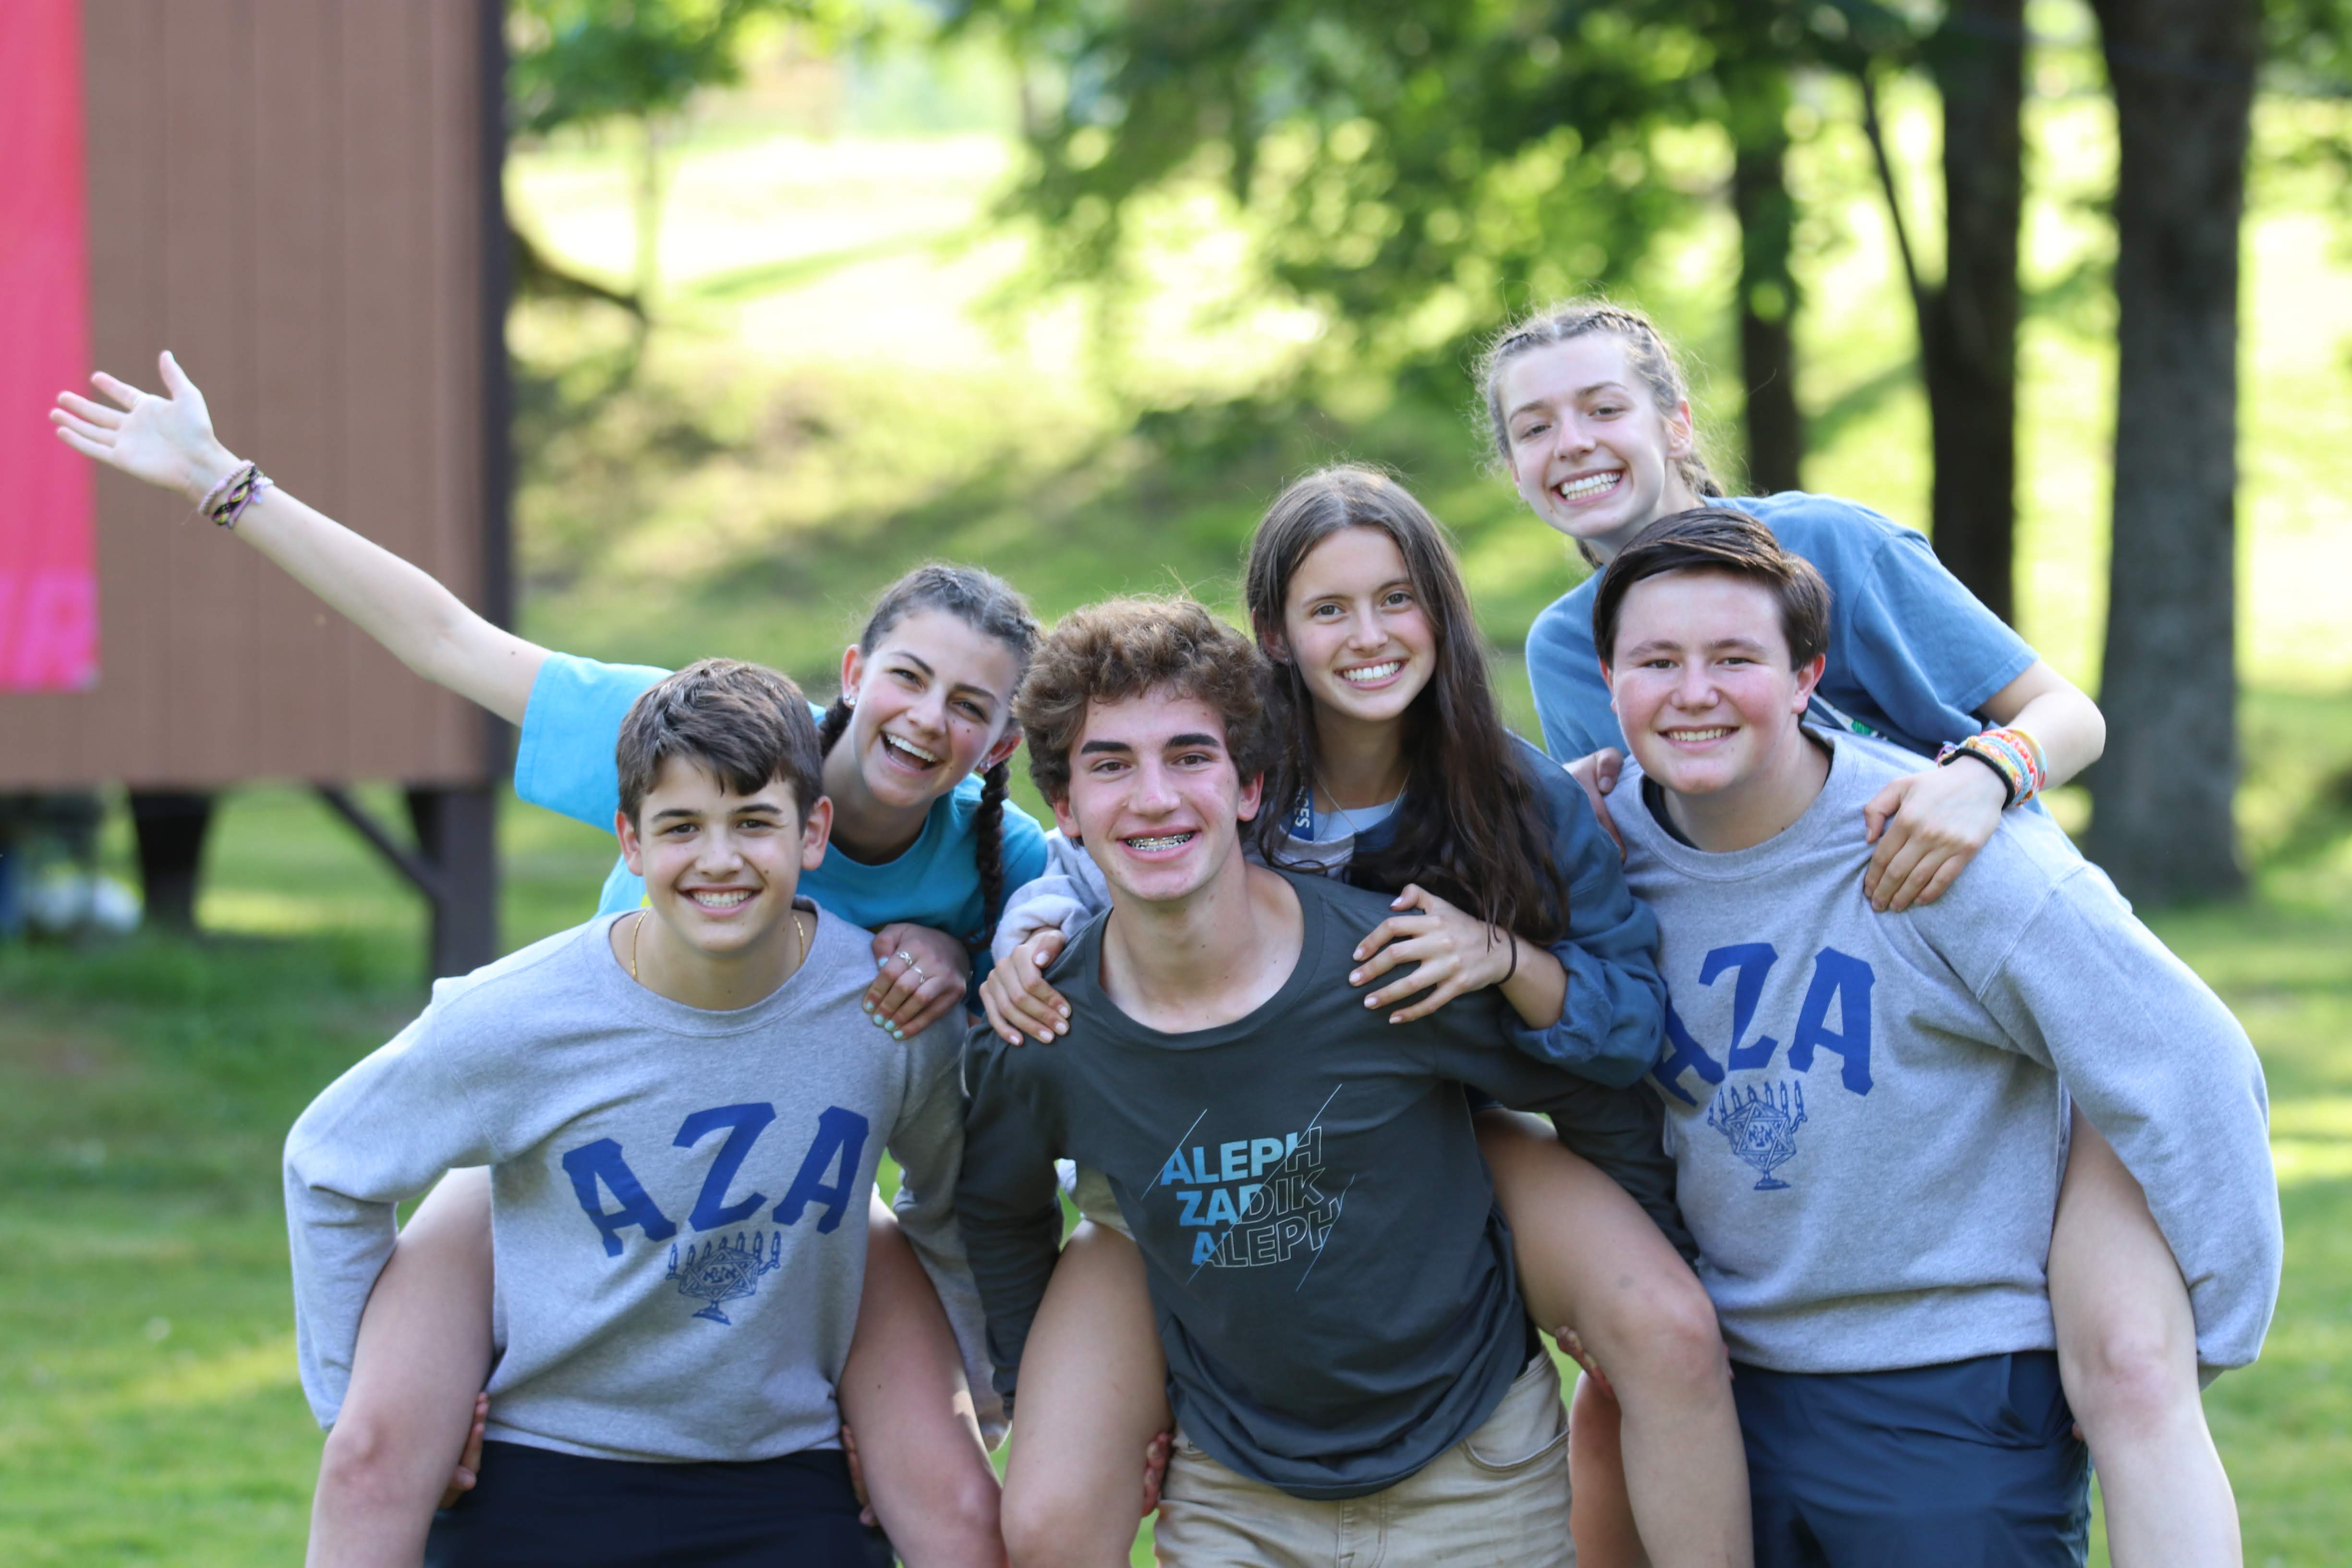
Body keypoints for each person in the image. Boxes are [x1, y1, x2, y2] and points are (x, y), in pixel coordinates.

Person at [52, 355, 1025, 1565]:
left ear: (1002, 740)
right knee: (377, 1447)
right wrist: (225, 484)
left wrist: (954, 950)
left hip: (806, 1171)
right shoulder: (692, 738)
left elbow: (1097, 959)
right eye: (911, 678)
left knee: (949, 1499)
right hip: (572, 1126)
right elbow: (445, 636)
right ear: (854, 674)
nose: (931, 718)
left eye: (972, 705)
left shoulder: (1003, 864)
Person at [1479, 300, 2243, 1568]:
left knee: (2128, 1370)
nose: (1573, 441)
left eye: (1603, 406)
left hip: (2015, 983)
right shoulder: (1573, 644)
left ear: (1674, 422)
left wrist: (1981, 777)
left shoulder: (1822, 541)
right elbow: (1661, 876)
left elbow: (2066, 714)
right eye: (1535, 424)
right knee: (1626, 1405)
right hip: (1837, 1035)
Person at [978, 469, 1749, 1567]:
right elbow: (1104, 847)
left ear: (1441, 606)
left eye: (1397, 599)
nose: (1369, 635)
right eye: (1328, 608)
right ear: (1275, 635)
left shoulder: (1511, 797)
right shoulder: (1226, 762)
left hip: (1438, 1113)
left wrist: (1503, 958)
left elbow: (1620, 1033)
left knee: (1665, 1330)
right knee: (1059, 1491)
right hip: (1181, 1125)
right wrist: (1029, 933)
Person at [1590, 511, 2281, 1566]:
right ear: (1607, 677)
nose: (1693, 692)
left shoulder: (1939, 845)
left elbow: (2189, 1058)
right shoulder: (1591, 854)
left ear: (1806, 675)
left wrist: (2201, 1338)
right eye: (1657, 661)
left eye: (1735, 658)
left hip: (1950, 1393)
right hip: (1718, 1396)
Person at [287, 659, 983, 1566]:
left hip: (782, 1466)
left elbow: (960, 1192)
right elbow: (329, 1162)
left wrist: (968, 1395)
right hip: (543, 1458)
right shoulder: (515, 1020)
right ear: (629, 839)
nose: (720, 859)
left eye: (754, 823)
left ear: (814, 831)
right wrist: (354, 1397)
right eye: (681, 826)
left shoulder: (887, 1014)